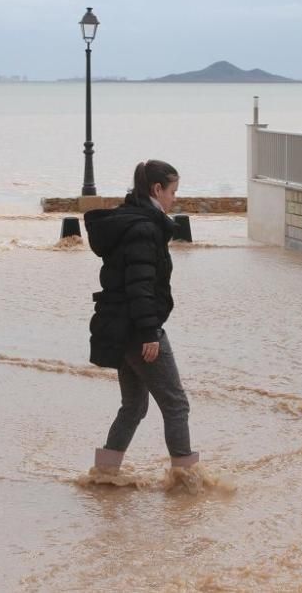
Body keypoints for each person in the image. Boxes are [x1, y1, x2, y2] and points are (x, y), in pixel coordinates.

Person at [84, 159, 199, 474]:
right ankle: (185, 479)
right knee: (176, 405)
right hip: (138, 329)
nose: (175, 198)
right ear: (157, 189)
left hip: (120, 326)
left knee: (134, 406)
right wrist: (150, 334)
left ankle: (104, 475)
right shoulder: (144, 228)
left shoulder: (131, 220)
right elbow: (139, 286)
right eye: (173, 191)